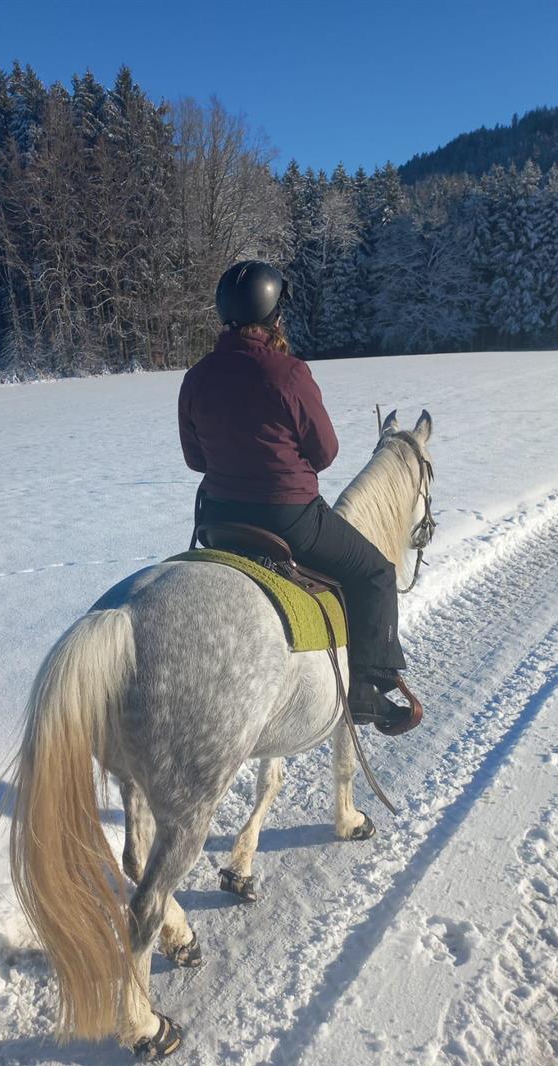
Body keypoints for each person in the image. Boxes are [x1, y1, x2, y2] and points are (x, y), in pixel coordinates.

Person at [177, 259, 417, 735]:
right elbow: (325, 452)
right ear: (274, 315)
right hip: (289, 518)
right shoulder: (288, 373)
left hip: (218, 520)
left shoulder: (197, 377)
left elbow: (194, 458)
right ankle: (369, 687)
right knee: (374, 571)